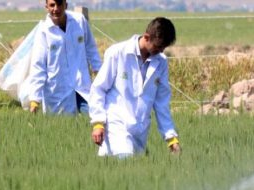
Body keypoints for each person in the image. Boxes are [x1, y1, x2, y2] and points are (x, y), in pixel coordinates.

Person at [89, 17, 182, 157]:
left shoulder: (161, 62)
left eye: (163, 48)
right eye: (158, 47)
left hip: (140, 129)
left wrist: (171, 138)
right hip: (117, 123)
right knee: (124, 159)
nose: (161, 51)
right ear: (146, 37)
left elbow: (162, 103)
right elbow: (98, 89)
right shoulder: (118, 53)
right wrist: (98, 123)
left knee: (131, 171)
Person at [27, 0, 102, 115]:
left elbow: (90, 48)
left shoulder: (79, 21)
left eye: (59, 5)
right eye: (52, 5)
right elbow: (38, 66)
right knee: (61, 128)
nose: (56, 9)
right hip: (57, 91)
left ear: (65, 5)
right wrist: (34, 99)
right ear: (46, 7)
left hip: (81, 87)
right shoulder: (43, 31)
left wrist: (99, 72)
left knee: (91, 119)